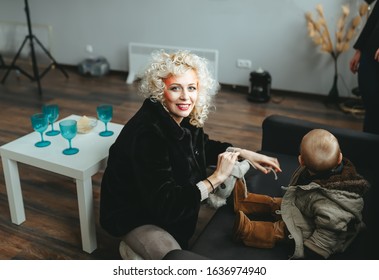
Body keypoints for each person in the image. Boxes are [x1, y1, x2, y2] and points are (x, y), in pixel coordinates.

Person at [99, 50, 281, 260]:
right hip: (135, 214)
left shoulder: (182, 115)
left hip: (164, 204)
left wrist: (245, 153)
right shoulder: (148, 134)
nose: (186, 96)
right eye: (175, 88)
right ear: (160, 91)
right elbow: (166, 205)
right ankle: (132, 249)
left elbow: (205, 146)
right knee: (179, 260)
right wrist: (215, 179)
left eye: (191, 88)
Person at [233, 129, 369, 259]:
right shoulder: (312, 171)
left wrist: (310, 252)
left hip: (312, 231)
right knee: (277, 203)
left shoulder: (334, 205)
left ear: (301, 160)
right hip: (306, 207)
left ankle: (248, 231)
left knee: (281, 229)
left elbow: (328, 235)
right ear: (340, 157)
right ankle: (245, 202)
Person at [349, 0, 379, 134]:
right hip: (370, 50)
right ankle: (368, 147)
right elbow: (374, 17)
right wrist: (359, 50)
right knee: (370, 104)